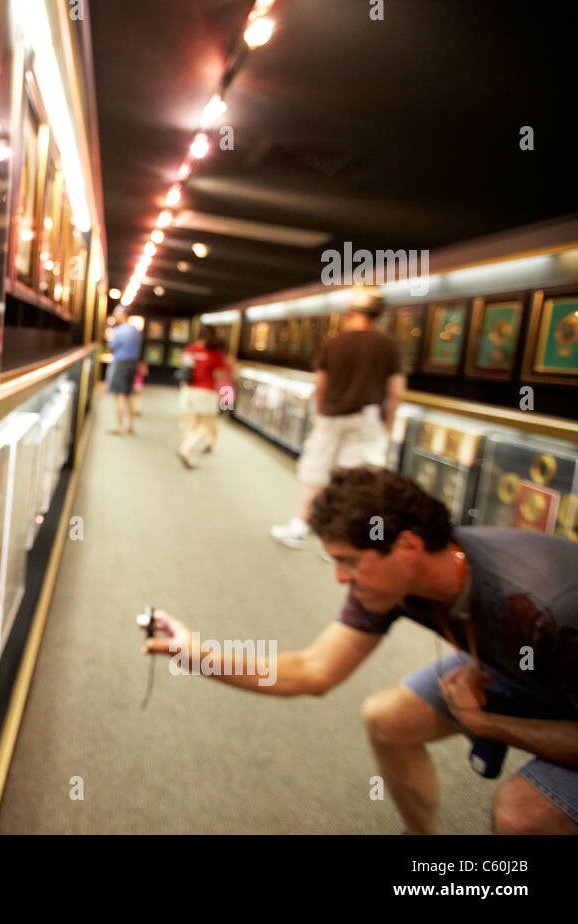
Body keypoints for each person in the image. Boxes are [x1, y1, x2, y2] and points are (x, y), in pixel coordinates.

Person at [144, 467, 578, 834]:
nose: (340, 579)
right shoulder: (395, 582)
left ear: (407, 546)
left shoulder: (545, 607)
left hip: (554, 666)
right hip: (519, 666)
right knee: (387, 720)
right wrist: (193, 654)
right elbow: (312, 671)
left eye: (349, 561)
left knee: (520, 814)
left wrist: (488, 724)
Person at [271, 288, 406, 548]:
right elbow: (395, 392)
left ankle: (300, 526)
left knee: (316, 472)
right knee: (357, 481)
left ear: (351, 312)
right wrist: (386, 426)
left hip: (331, 417)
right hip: (368, 420)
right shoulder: (389, 345)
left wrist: (321, 412)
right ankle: (342, 540)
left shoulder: (334, 343)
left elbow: (320, 385)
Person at [176, 325, 232, 469]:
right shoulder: (216, 353)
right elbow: (218, 375)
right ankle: (186, 449)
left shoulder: (190, 349)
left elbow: (183, 367)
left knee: (191, 423)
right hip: (206, 392)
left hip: (188, 391)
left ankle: (189, 455)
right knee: (207, 425)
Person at [105, 305, 143, 435]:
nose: (115, 316)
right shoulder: (135, 330)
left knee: (119, 395)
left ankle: (120, 426)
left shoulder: (119, 330)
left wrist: (108, 336)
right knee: (130, 394)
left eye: (116, 313)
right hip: (133, 364)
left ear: (123, 314)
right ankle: (131, 425)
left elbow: (112, 346)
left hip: (120, 364)